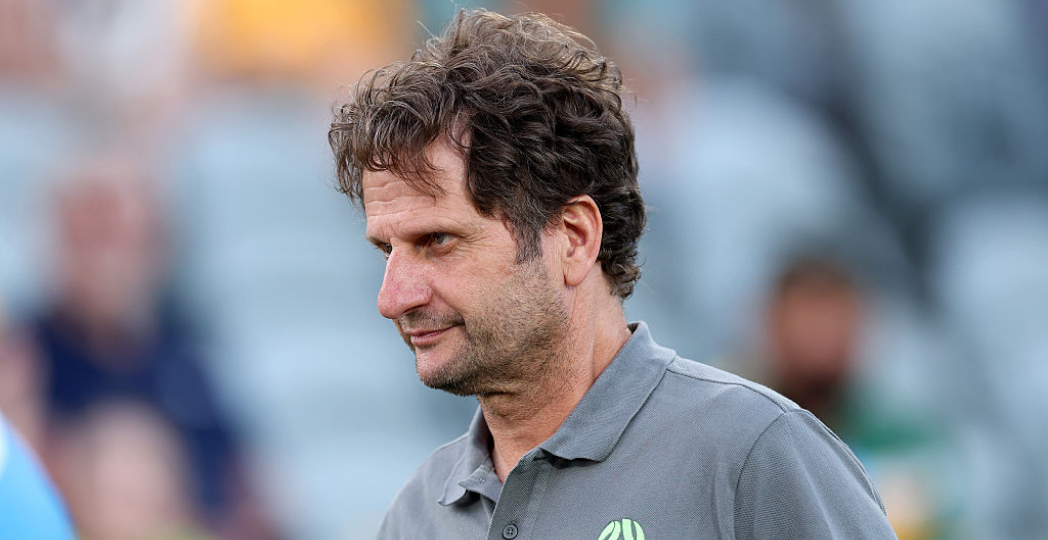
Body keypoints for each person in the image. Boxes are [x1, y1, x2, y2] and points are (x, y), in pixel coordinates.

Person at [328, 9, 898, 540]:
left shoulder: (755, 455)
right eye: (387, 250)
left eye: (437, 241)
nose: (392, 297)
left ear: (574, 239)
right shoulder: (417, 515)